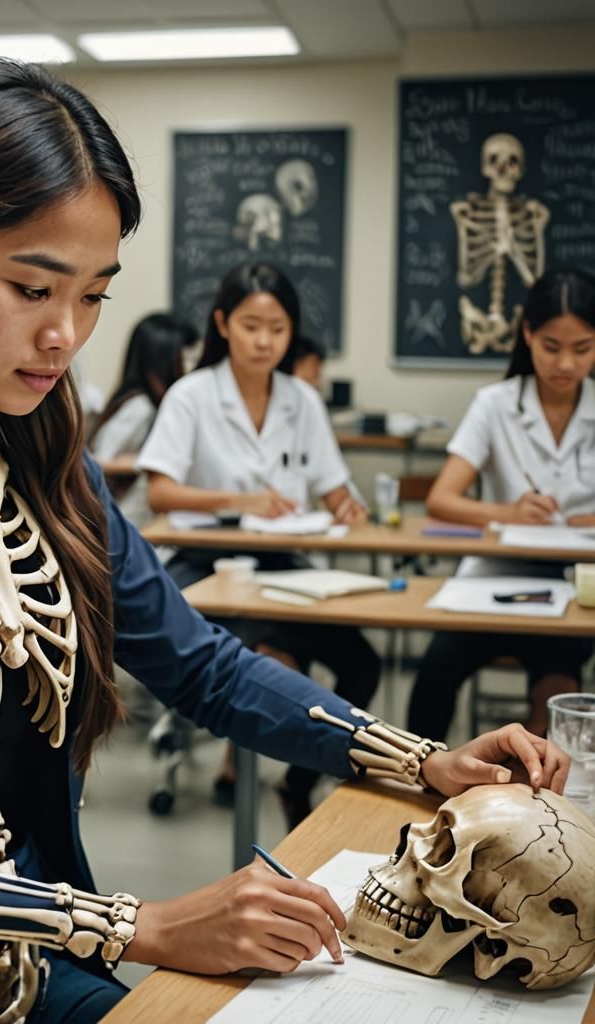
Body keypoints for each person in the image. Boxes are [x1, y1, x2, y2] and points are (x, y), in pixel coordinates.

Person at [0, 61, 569, 1024]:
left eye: (94, 295)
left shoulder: (39, 458)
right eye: (30, 286)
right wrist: (127, 926)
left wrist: (420, 760)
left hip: (32, 956)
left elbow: (203, 666)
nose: (65, 336)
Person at [137, 263, 378, 827]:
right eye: (251, 325)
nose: (264, 340)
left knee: (361, 663)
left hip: (287, 562)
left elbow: (334, 485)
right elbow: (161, 490)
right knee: (270, 657)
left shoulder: (302, 400)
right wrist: (238, 501)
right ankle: (243, 769)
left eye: (277, 327)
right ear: (222, 323)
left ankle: (296, 784)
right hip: (206, 560)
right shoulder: (192, 395)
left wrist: (348, 505)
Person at [408, 268, 595, 742]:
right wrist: (507, 513)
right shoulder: (494, 404)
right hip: (492, 578)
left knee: (559, 688)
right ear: (527, 334)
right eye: (552, 346)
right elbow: (441, 499)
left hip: (572, 582)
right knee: (436, 669)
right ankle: (415, 781)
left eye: (583, 348)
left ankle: (522, 792)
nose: (566, 364)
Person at [90, 311, 198, 528]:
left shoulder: (153, 405)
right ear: (163, 362)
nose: (190, 368)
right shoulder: (139, 407)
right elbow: (94, 462)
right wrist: (146, 462)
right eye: (185, 359)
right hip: (124, 525)